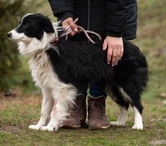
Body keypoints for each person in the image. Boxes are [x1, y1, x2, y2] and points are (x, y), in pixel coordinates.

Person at [48, 0, 137, 130]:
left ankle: (97, 103)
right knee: (75, 57)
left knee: (106, 56)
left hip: (115, 12)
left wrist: (115, 32)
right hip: (75, 9)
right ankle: (75, 103)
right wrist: (64, 12)